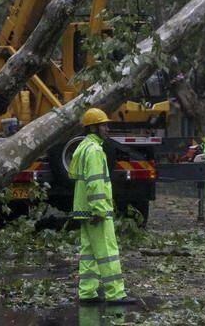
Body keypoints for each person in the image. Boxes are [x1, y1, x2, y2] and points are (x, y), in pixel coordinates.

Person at [69, 108, 135, 305]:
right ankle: (116, 294)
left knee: (88, 252)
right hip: (96, 211)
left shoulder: (82, 147)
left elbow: (77, 178)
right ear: (94, 127)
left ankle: (87, 293)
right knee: (108, 251)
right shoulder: (95, 151)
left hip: (84, 209)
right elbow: (95, 183)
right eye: (104, 125)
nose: (107, 129)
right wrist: (98, 210)